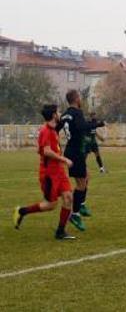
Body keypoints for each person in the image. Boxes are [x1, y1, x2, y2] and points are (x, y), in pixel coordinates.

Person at [13, 104, 76, 240]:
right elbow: (46, 151)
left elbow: (41, 149)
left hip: (59, 171)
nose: (59, 114)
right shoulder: (46, 130)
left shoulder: (52, 130)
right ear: (54, 115)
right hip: (49, 174)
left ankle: (60, 231)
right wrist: (64, 159)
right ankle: (22, 211)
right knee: (50, 205)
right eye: (58, 112)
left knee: (68, 197)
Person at [58, 90, 105, 231]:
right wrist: (98, 124)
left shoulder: (65, 114)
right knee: (81, 184)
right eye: (79, 97)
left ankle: (81, 204)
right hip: (77, 152)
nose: (81, 99)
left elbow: (57, 129)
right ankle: (75, 213)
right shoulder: (77, 113)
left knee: (86, 176)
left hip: (70, 150)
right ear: (76, 99)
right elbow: (82, 127)